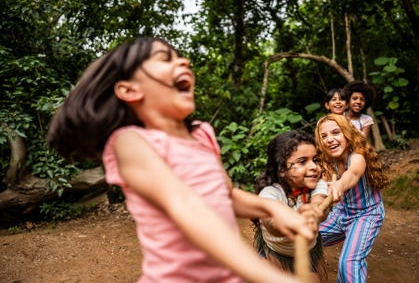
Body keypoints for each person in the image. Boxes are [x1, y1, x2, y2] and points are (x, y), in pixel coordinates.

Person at [46, 37, 320, 283]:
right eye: (165, 59)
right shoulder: (130, 142)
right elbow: (184, 201)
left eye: (180, 56)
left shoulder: (203, 134)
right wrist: (264, 275)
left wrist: (272, 209)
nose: (184, 61)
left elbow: (225, 195)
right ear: (130, 90)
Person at [314, 114, 389, 283]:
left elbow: (353, 173)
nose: (330, 140)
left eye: (335, 133)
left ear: (347, 133)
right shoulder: (329, 160)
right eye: (324, 136)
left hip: (367, 215)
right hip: (341, 213)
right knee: (305, 239)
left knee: (348, 263)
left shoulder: (358, 156)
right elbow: (322, 184)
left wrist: (339, 185)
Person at [252, 130, 329, 283]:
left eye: (315, 160)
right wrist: (288, 221)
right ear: (282, 169)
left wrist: (314, 210)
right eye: (302, 161)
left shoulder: (318, 185)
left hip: (305, 253)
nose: (314, 166)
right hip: (274, 252)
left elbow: (321, 204)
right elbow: (270, 221)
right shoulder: (270, 193)